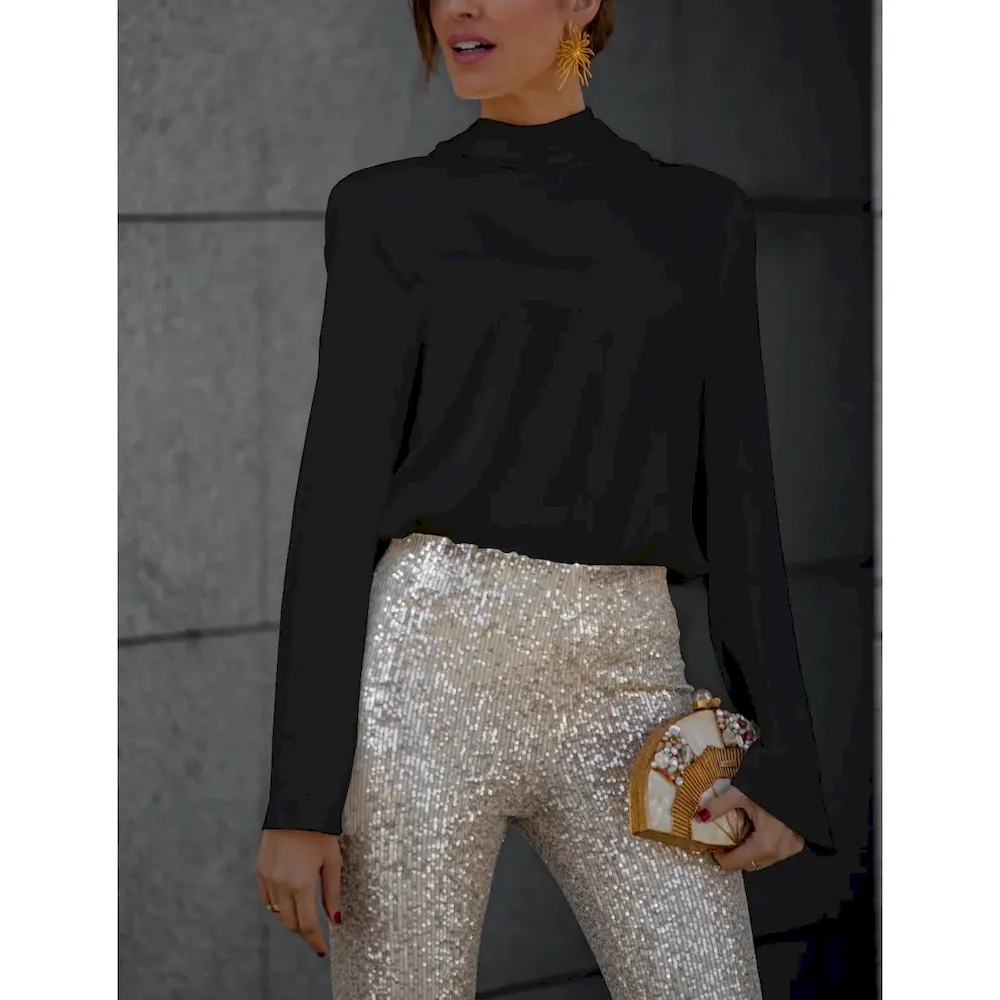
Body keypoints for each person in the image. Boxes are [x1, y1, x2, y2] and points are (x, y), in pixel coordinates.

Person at [254, 1, 836, 997]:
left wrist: (782, 759)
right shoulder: (387, 211)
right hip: (426, 680)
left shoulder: (700, 218)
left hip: (629, 681)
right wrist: (299, 801)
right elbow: (336, 500)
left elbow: (740, 493)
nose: (460, 7)